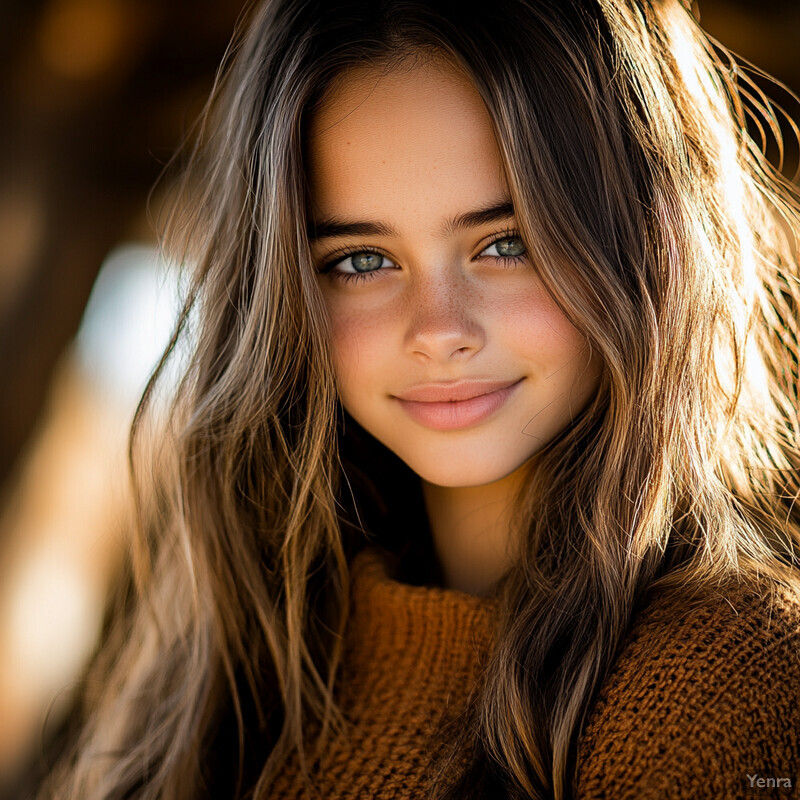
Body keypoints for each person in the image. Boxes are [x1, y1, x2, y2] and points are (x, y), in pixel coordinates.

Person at [36, 0, 800, 798]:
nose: (438, 331)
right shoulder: (226, 686)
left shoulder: (741, 686)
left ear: (651, 241)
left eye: (509, 243)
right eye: (362, 260)